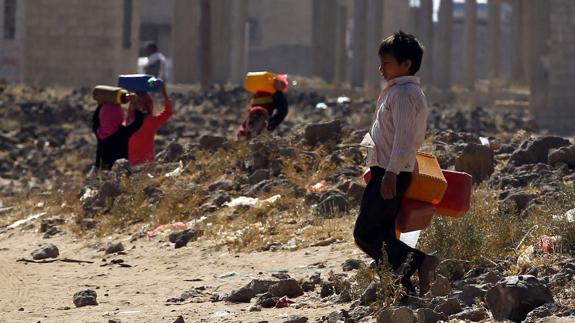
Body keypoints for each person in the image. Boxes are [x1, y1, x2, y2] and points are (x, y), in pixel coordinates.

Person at [354, 31, 440, 296]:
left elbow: (403, 140)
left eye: (387, 63)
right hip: (387, 170)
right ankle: (404, 291)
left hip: (392, 172)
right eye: (381, 63)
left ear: (407, 64)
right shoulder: (397, 91)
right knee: (385, 234)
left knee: (365, 234)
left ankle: (421, 261)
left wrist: (389, 174)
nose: (381, 69)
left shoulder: (404, 94)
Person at [125, 84, 173, 166]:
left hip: (129, 164)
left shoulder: (126, 123)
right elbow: (167, 113)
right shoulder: (150, 122)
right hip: (147, 164)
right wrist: (164, 93)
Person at [92, 96, 144, 170]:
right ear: (119, 115)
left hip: (104, 175)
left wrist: (100, 105)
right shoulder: (122, 133)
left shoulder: (98, 131)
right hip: (120, 174)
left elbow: (95, 119)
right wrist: (134, 105)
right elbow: (138, 121)